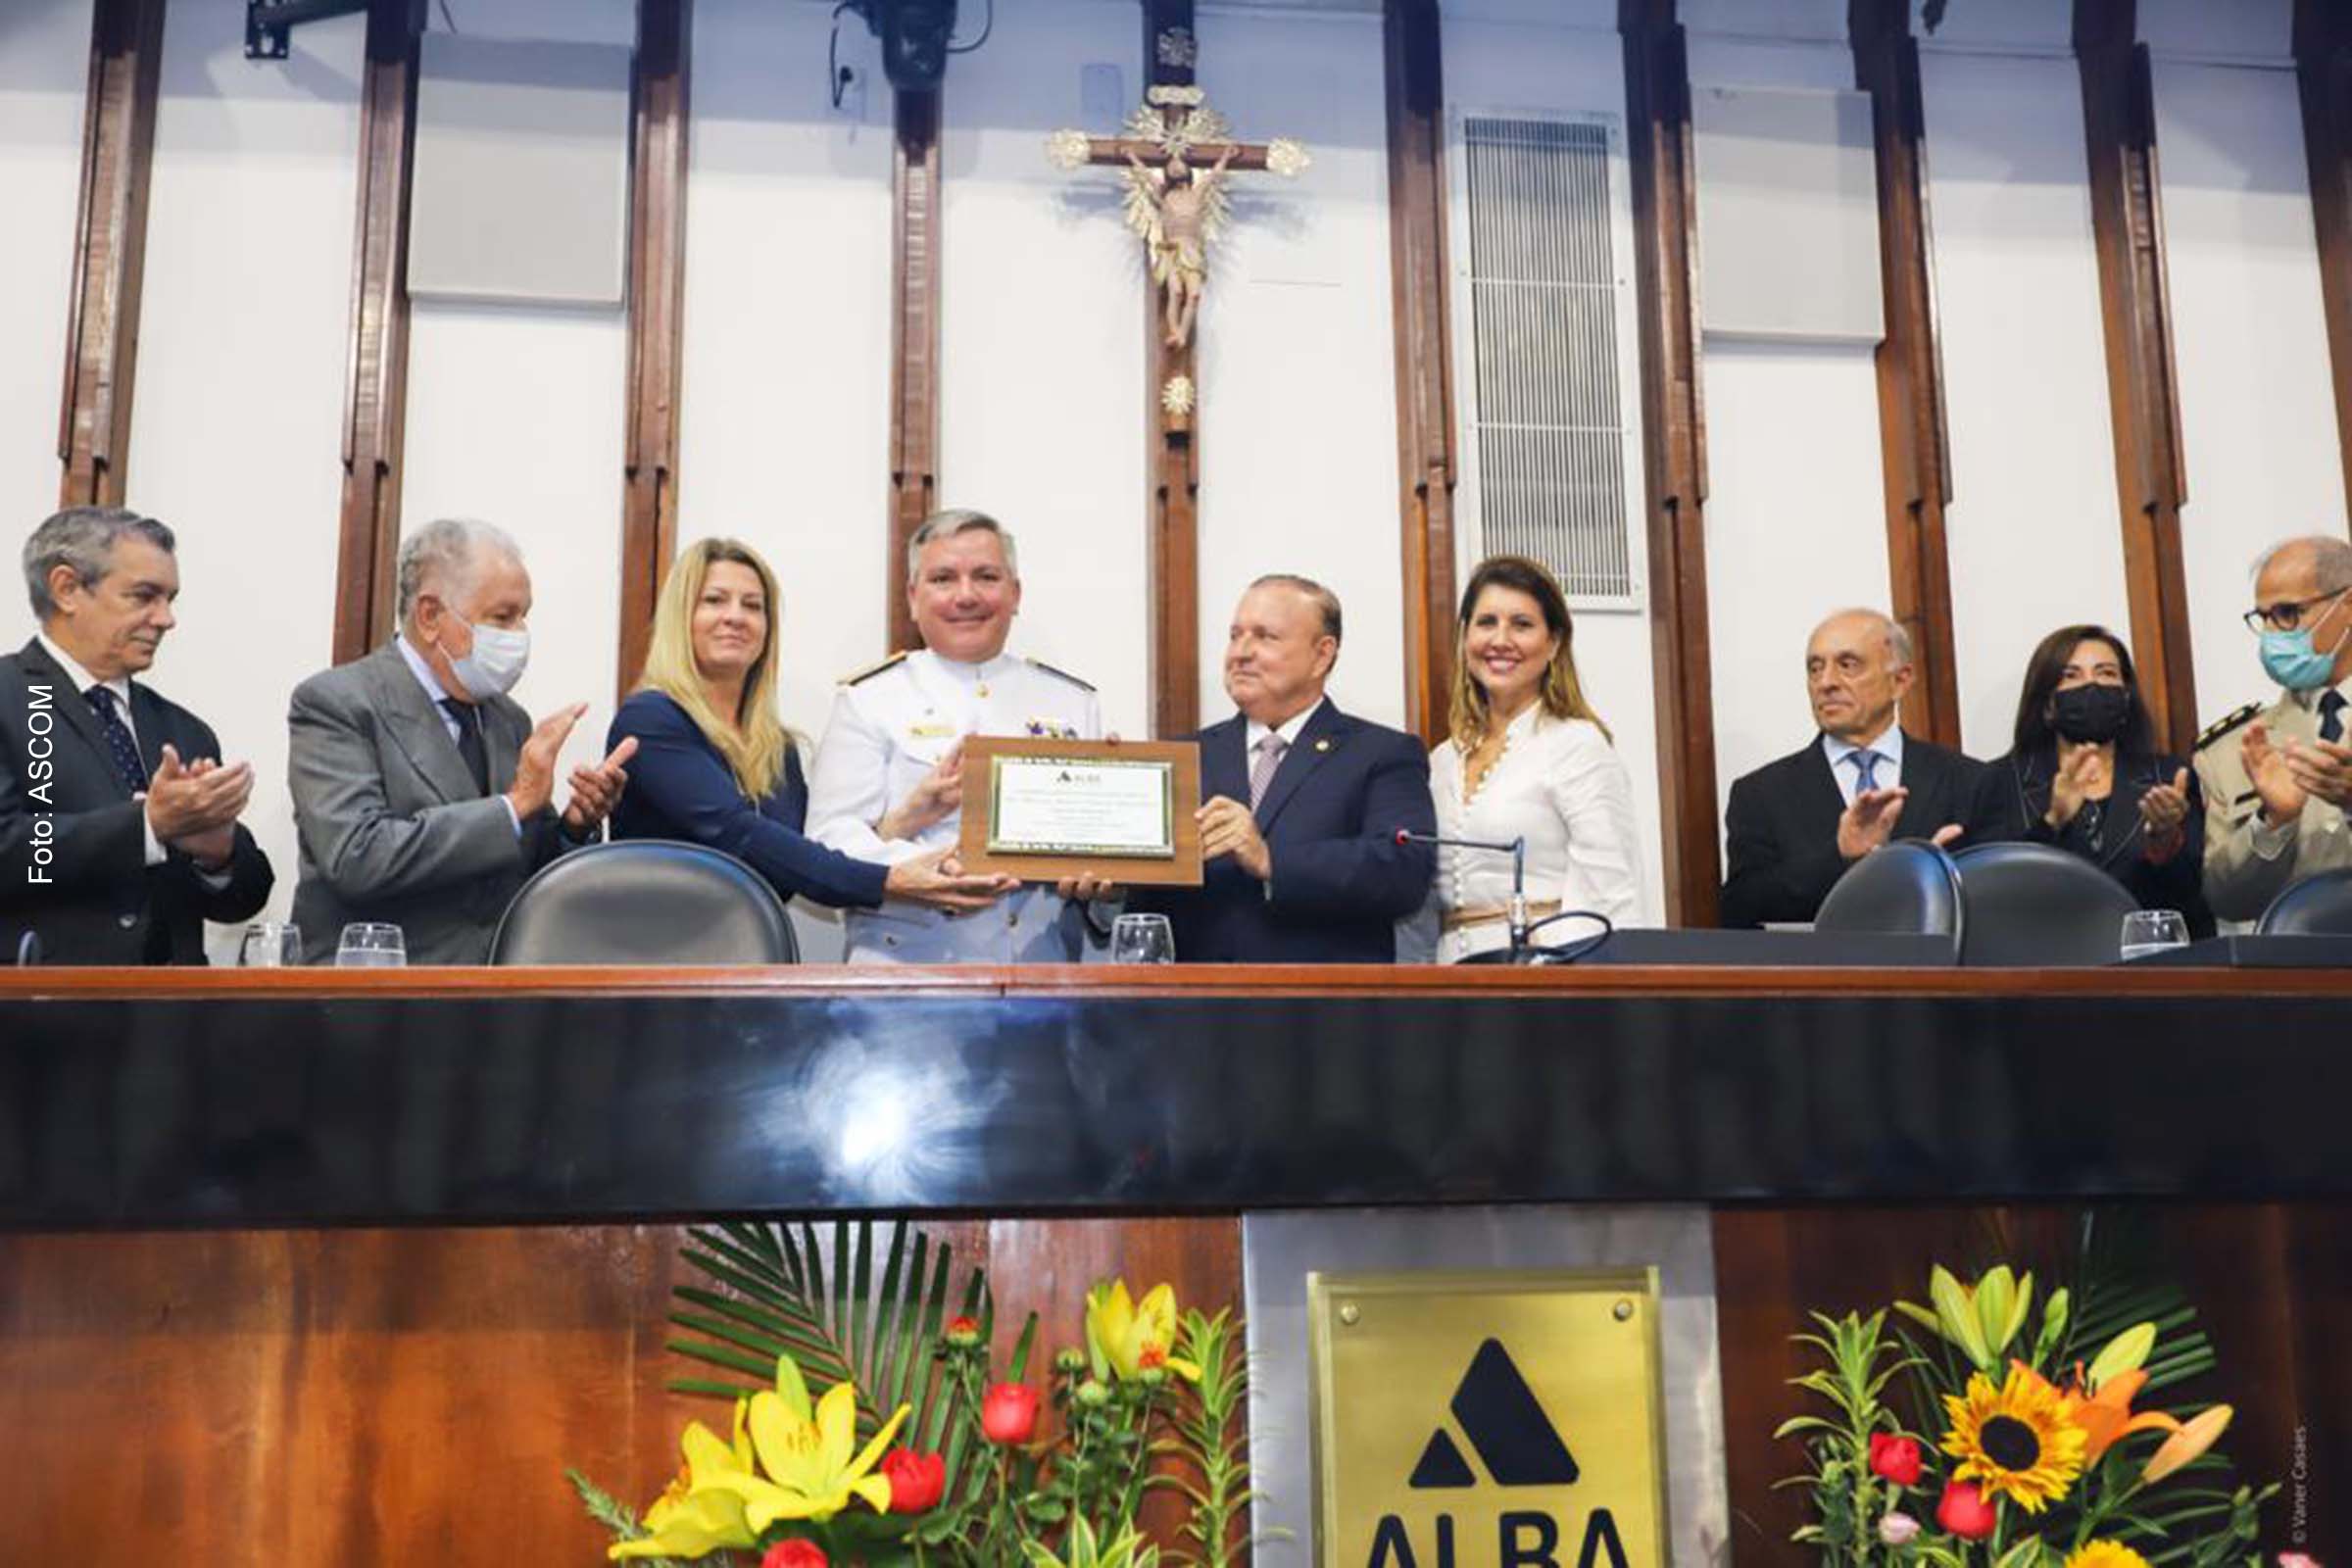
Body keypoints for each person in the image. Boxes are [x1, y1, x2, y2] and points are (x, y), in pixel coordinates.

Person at [287, 518, 635, 964]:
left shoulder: (507, 719)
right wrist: (514, 805)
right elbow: (358, 857)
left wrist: (575, 823)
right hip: (375, 999)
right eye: (501, 617)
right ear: (430, 615)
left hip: (492, 998)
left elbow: (523, 870)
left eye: (524, 616)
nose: (518, 636)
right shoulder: (337, 703)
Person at [607, 537, 1010, 920]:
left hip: (746, 960)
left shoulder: (776, 746)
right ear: (681, 618)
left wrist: (906, 819)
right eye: (713, 601)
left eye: (753, 605)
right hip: (654, 956)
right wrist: (891, 879)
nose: (735, 617)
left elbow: (793, 858)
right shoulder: (651, 720)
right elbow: (738, 835)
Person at [806, 510, 1091, 962]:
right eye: (943, 578)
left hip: (1041, 970)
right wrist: (922, 867)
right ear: (913, 597)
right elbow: (828, 842)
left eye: (986, 576)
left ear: (1015, 594)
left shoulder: (1072, 702)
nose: (966, 595)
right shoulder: (868, 699)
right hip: (908, 967)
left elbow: (1094, 846)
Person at [1110, 574, 1436, 963]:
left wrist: (1271, 860)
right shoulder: (1182, 758)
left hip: (1324, 1013)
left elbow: (1403, 873)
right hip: (1195, 1013)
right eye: (1235, 635)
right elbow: (1147, 900)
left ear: (1322, 654)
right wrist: (1109, 880)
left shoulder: (1381, 753)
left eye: (1265, 637)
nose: (1241, 653)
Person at [0, 506, 272, 963]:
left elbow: (239, 901)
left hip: (171, 1021)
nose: (166, 619)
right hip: (38, 1016)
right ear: (67, 589)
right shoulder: (8, 698)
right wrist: (148, 827)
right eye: (144, 596)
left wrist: (218, 853)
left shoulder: (183, 729)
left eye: (170, 599)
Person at [1720, 608, 1992, 928]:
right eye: (1815, 668)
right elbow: (1739, 908)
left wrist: (1934, 875)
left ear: (1901, 680)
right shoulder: (1760, 794)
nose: (1826, 683)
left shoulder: (1969, 781)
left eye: (1848, 665)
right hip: (1820, 972)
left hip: (1935, 970)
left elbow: (1999, 904)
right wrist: (1839, 855)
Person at [1429, 556, 1642, 961]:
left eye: (1522, 624)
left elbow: (1612, 892)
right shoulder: (1442, 759)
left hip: (1547, 974)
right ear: (1465, 636)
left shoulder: (1577, 745)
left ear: (1554, 642)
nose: (1500, 639)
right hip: (1448, 979)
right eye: (1486, 622)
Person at [1977, 624, 2211, 936]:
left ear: (2127, 695)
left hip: (2148, 965)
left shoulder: (2168, 779)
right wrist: (2053, 822)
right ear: (2047, 704)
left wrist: (2164, 842)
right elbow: (1992, 894)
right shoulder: (2000, 782)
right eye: (2071, 676)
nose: (2092, 686)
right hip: (2042, 964)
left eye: (2106, 674)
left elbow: (2193, 903)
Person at [2197, 534, 2352, 921]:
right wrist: (2272, 824)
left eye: (2287, 613)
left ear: (2347, 606)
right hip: (2294, 974)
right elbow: (2225, 901)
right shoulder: (2232, 750)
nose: (2270, 634)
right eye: (2262, 618)